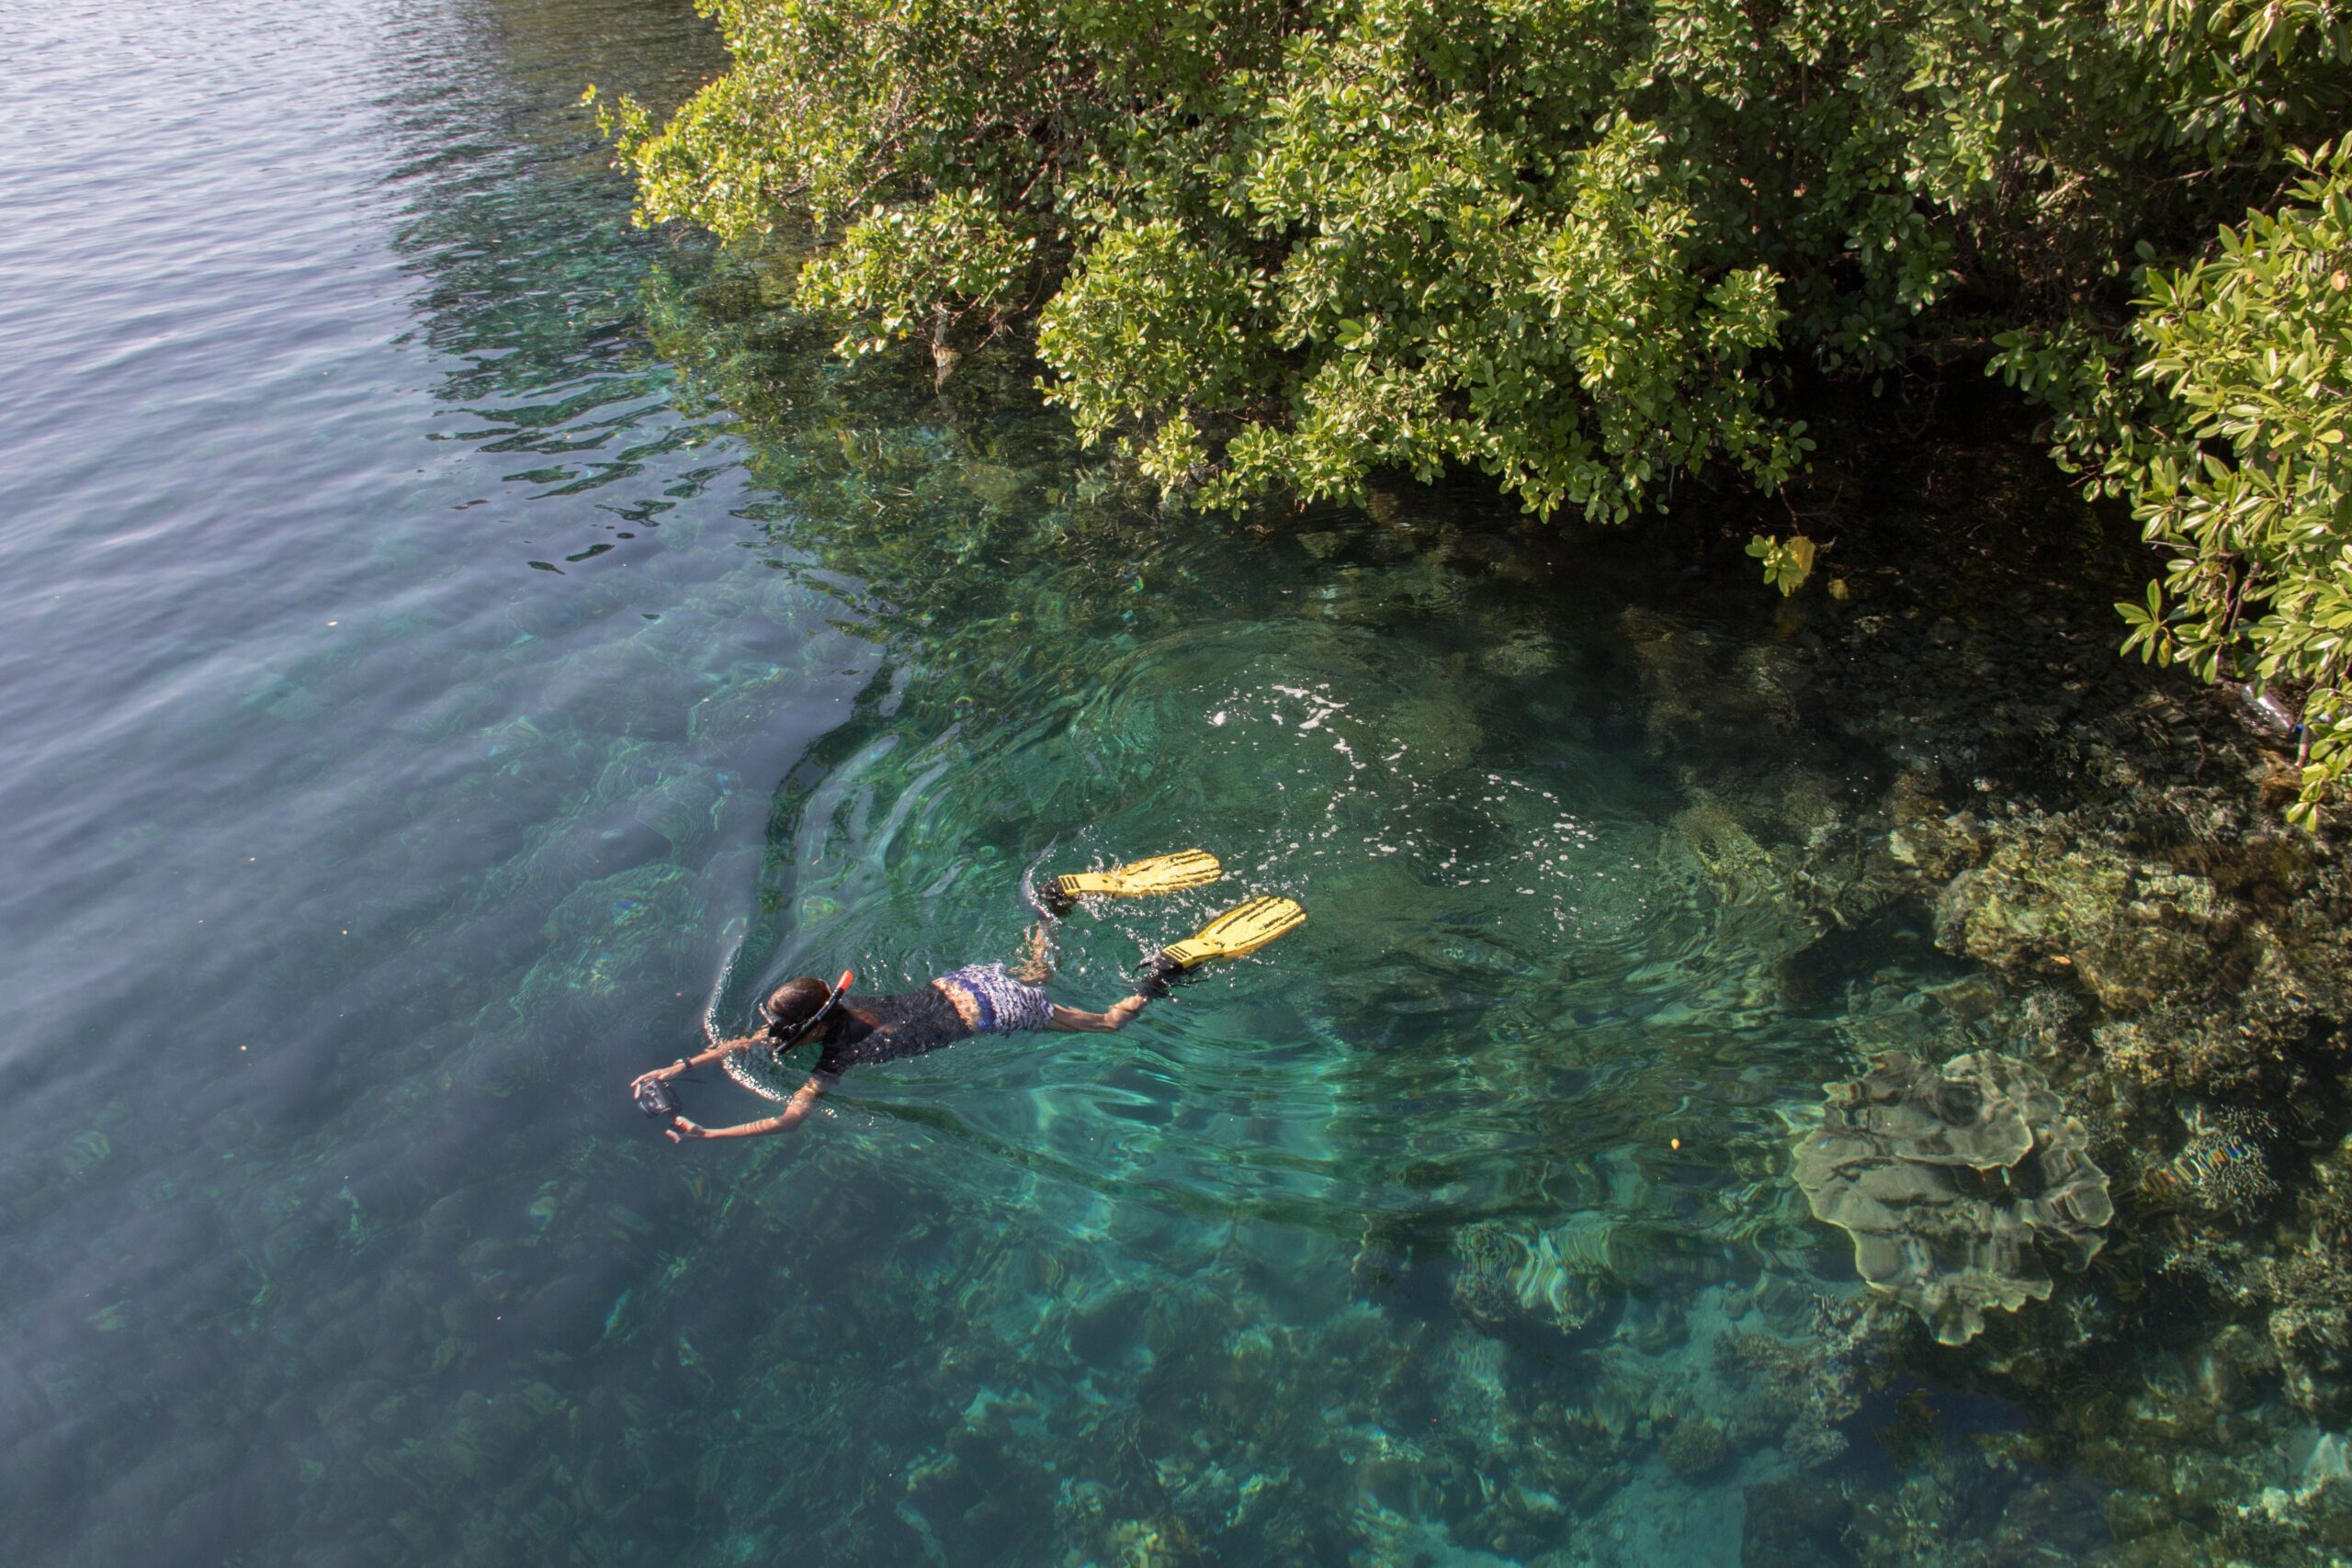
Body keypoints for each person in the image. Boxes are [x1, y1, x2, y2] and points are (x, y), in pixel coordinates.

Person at [628, 852, 1304, 1145]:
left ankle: (1164, 970)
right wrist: (675, 1070)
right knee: (1032, 971)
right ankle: (1054, 909)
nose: (771, 1040)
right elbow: (743, 1043)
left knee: (1110, 1024)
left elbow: (789, 1120)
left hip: (993, 1012)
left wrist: (709, 1131)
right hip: (964, 981)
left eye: (782, 1032)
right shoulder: (835, 1019)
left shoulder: (834, 1056)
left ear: (812, 1028)